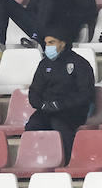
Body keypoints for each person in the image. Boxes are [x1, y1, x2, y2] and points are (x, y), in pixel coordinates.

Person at [25, 26, 96, 164]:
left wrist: (62, 104)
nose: (47, 46)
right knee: (33, 124)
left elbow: (86, 94)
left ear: (62, 43)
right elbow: (34, 92)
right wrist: (42, 104)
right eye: (46, 43)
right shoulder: (44, 64)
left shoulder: (80, 64)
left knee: (59, 124)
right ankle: (36, 161)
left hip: (73, 111)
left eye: (51, 43)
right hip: (47, 109)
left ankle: (67, 161)